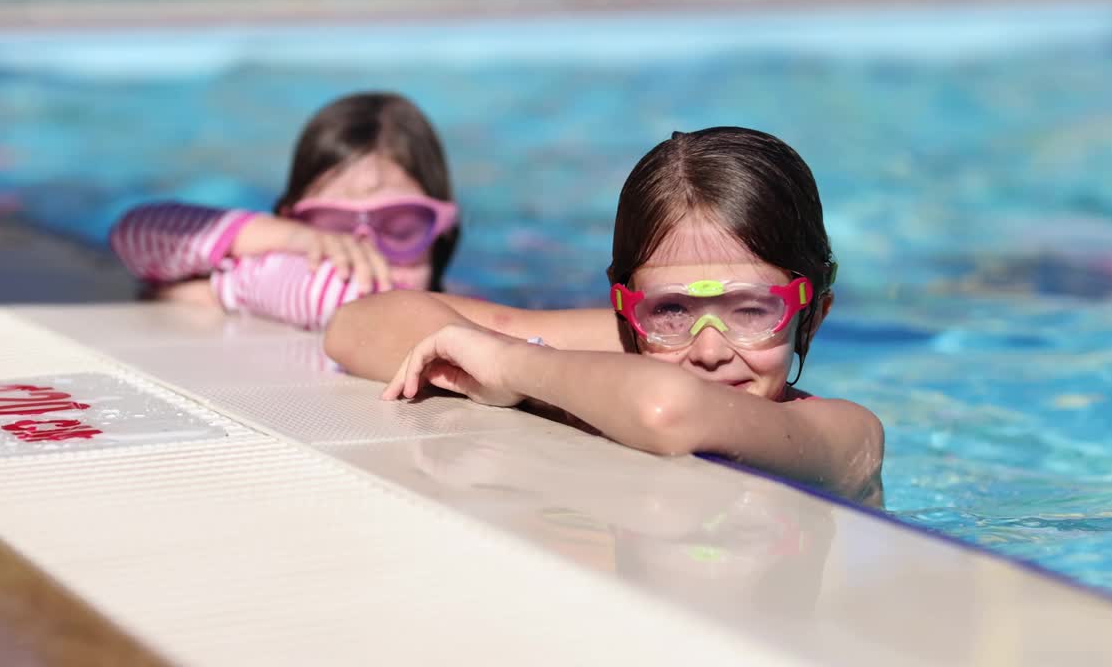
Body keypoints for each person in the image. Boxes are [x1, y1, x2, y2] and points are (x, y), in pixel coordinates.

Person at [325, 127, 883, 505]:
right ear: (625, 309)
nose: (709, 350)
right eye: (670, 309)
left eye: (751, 309)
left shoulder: (845, 437)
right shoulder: (635, 348)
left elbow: (669, 410)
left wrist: (514, 368)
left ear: (814, 314)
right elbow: (356, 326)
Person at [108, 92, 459, 330]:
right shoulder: (286, 260)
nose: (364, 253)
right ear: (293, 220)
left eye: (400, 227)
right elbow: (133, 233)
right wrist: (287, 238)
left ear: (443, 227)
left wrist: (219, 291)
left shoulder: (463, 311)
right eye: (333, 229)